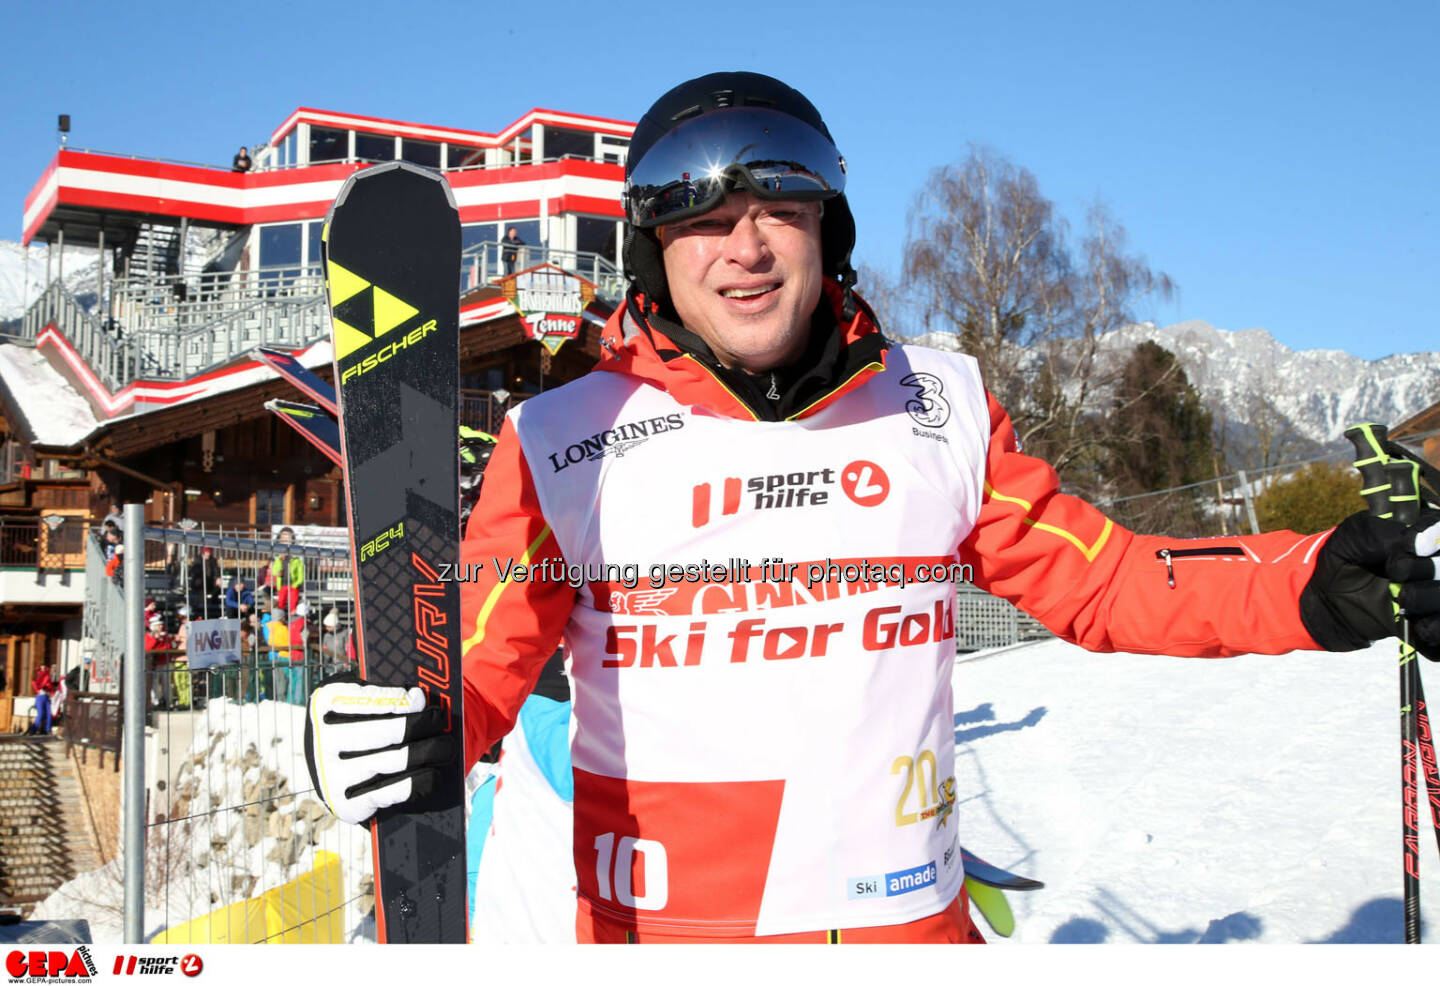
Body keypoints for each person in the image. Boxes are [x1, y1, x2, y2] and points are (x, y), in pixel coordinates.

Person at [306, 73, 1440, 944]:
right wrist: (389, 728)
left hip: (912, 929)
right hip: (667, 937)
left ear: (825, 228)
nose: (745, 247)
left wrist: (1311, 581)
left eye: (777, 208)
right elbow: (474, 671)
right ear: (653, 249)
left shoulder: (936, 408)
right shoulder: (563, 444)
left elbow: (1107, 577)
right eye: (704, 220)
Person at [269, 527, 305, 616]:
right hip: (282, 584)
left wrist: (297, 583)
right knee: (281, 600)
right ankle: (280, 615)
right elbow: (274, 571)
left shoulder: (296, 557)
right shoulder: (278, 557)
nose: (285, 540)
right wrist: (280, 563)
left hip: (293, 584)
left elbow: (300, 572)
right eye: (283, 537)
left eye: (288, 537)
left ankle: (292, 613)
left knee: (293, 600)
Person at [28, 664, 55, 735]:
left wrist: (51, 692)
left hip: (46, 696)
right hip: (40, 696)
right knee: (40, 714)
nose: (43, 669)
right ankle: (33, 729)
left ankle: (48, 729)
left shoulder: (47, 675)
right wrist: (40, 688)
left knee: (49, 713)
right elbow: (36, 684)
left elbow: (50, 686)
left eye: (44, 668)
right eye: (42, 668)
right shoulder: (38, 675)